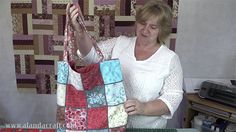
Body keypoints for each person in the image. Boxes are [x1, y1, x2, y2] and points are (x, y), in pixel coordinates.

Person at [66, 0, 183, 128]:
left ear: (162, 30)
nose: (145, 30)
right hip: (112, 125)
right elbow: (91, 58)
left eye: (153, 27)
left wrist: (143, 108)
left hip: (147, 129)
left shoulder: (170, 59)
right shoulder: (120, 43)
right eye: (142, 23)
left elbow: (173, 97)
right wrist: (80, 33)